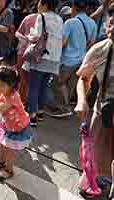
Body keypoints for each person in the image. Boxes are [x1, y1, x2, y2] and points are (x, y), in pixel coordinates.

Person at [75, 8, 114, 179]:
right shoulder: (100, 49)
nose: (111, 29)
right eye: (111, 24)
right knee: (96, 159)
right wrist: (82, 101)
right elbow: (84, 79)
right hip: (104, 114)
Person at [48, 0, 97, 118]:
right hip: (81, 60)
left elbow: (62, 42)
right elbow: (91, 43)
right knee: (70, 85)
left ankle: (63, 108)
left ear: (74, 7)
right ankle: (64, 106)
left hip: (67, 60)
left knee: (58, 83)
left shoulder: (70, 22)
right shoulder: (92, 23)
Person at [27, 0, 63, 127]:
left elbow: (36, 37)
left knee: (33, 87)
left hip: (40, 57)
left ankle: (32, 116)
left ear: (45, 4)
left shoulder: (41, 17)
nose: (37, 5)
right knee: (43, 86)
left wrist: (29, 36)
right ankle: (40, 112)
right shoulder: (59, 19)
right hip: (54, 59)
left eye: (39, 2)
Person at [15, 12, 38, 105]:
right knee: (31, 80)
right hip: (38, 55)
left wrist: (25, 39)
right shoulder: (53, 21)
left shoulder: (29, 18)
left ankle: (21, 102)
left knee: (22, 78)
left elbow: (17, 33)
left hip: (24, 52)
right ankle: (26, 103)